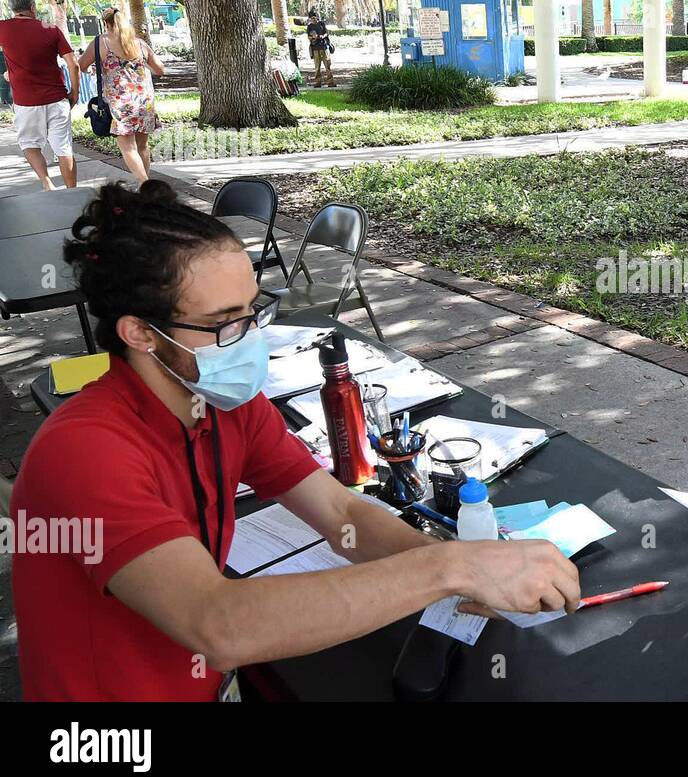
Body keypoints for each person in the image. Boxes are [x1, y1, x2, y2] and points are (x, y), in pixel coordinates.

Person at [11, 180, 580, 700]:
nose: (248, 336)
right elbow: (219, 625)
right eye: (224, 321)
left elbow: (339, 513)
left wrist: (465, 569)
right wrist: (452, 569)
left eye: (253, 309)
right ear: (140, 332)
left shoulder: (224, 405)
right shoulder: (84, 453)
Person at [0, 0, 78, 190]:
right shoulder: (50, 29)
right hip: (57, 98)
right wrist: (75, 92)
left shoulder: (3, 28)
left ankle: (47, 183)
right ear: (33, 7)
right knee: (63, 148)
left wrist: (9, 73)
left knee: (30, 145)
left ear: (12, 9)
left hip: (26, 102)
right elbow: (73, 64)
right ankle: (72, 191)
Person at [77, 7, 164, 183]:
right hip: (143, 100)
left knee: (128, 148)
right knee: (142, 146)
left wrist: (94, 70)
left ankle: (145, 185)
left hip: (120, 103)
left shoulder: (100, 42)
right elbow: (160, 70)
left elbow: (81, 65)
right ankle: (143, 189)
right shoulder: (139, 43)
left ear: (106, 23)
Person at [306, 11, 336, 87]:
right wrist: (313, 37)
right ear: (310, 18)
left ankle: (330, 82)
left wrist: (322, 36)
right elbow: (308, 37)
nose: (314, 19)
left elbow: (327, 33)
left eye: (315, 17)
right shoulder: (309, 27)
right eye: (312, 18)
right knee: (317, 67)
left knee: (327, 66)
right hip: (315, 48)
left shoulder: (321, 23)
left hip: (324, 47)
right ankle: (318, 82)